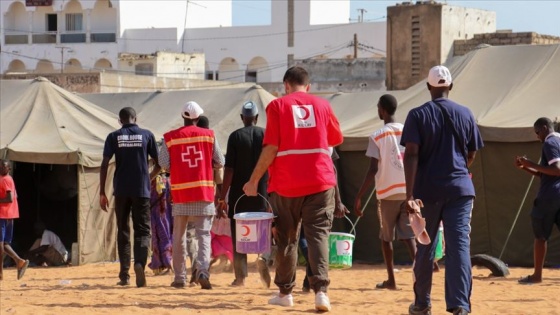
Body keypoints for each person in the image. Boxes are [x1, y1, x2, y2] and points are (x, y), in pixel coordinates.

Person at [243, 66, 344, 312]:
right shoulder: (323, 105)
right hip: (321, 182)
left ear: (286, 85)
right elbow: (336, 139)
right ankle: (321, 293)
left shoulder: (277, 106)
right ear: (308, 86)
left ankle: (285, 293)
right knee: (318, 235)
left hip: (286, 185)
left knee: (286, 237)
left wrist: (254, 180)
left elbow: (270, 148)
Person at [401, 65, 483, 315]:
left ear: (428, 87)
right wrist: (456, 170)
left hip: (427, 192)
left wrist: (409, 195)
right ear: (450, 86)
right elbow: (471, 153)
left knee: (425, 245)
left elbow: (411, 155)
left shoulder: (417, 115)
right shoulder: (466, 114)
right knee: (459, 247)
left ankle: (422, 304)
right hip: (460, 190)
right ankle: (459, 306)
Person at [158, 101, 225, 290]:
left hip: (180, 194)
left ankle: (180, 278)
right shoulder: (209, 135)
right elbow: (219, 161)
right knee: (204, 235)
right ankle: (203, 271)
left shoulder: (170, 137)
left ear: (183, 117)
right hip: (203, 192)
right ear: (198, 117)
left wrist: (178, 168)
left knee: (178, 236)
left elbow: (163, 163)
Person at [354, 94, 416, 291]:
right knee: (409, 236)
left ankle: (391, 280)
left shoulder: (377, 135)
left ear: (382, 109)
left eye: (378, 107)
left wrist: (359, 196)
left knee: (386, 237)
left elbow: (373, 169)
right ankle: (421, 278)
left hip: (387, 193)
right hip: (408, 192)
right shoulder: (410, 131)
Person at [100, 107, 161, 288]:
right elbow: (159, 164)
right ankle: (139, 264)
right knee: (142, 230)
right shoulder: (147, 135)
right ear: (136, 118)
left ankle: (124, 275)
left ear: (120, 121)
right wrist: (147, 177)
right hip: (141, 190)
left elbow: (104, 165)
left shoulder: (113, 137)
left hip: (121, 190)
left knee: (123, 230)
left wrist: (102, 192)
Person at [216, 101, 272, 288]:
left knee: (239, 234)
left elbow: (229, 170)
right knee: (263, 230)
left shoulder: (235, 137)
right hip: (262, 193)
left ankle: (240, 277)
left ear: (242, 118)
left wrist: (223, 197)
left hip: (239, 195)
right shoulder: (265, 134)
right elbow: (271, 165)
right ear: (256, 118)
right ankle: (263, 257)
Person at [515, 117, 560, 284]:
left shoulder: (550, 143)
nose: (537, 136)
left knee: (540, 237)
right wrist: (526, 167)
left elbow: (556, 171)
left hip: (549, 197)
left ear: (544, 128)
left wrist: (530, 162)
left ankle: (537, 276)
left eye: (537, 132)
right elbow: (546, 174)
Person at [299, 147, 348, 293]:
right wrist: (337, 200)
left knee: (304, 236)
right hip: (322, 193)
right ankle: (311, 283)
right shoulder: (326, 141)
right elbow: (333, 172)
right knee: (317, 238)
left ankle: (308, 282)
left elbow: (333, 171)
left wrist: (338, 201)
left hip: (298, 191)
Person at [0, 159, 29, 281]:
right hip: (9, 215)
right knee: (5, 244)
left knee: (1, 245)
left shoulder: (5, 179)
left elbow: (10, 198)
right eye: (0, 166)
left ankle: (16, 262)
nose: (1, 168)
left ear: (9, 168)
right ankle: (18, 262)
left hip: (3, 214)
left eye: (4, 166)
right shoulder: (9, 179)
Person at [147, 172, 173, 276]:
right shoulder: (169, 180)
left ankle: (166, 266)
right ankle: (163, 265)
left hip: (156, 213)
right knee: (166, 237)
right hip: (166, 214)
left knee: (159, 238)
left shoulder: (153, 179)